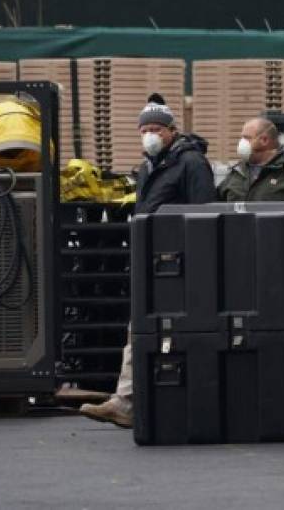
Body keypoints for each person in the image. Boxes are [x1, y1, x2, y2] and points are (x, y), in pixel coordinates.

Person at [79, 93, 216, 428]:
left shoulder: (192, 164)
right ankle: (126, 400)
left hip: (180, 264)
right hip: (153, 262)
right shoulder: (148, 167)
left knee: (168, 331)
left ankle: (140, 401)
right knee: (139, 329)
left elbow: (204, 215)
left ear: (171, 131)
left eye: (156, 128)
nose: (149, 135)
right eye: (144, 130)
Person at [217, 116, 284, 202]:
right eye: (242, 138)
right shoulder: (237, 173)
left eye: (247, 138)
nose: (242, 143)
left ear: (264, 140)